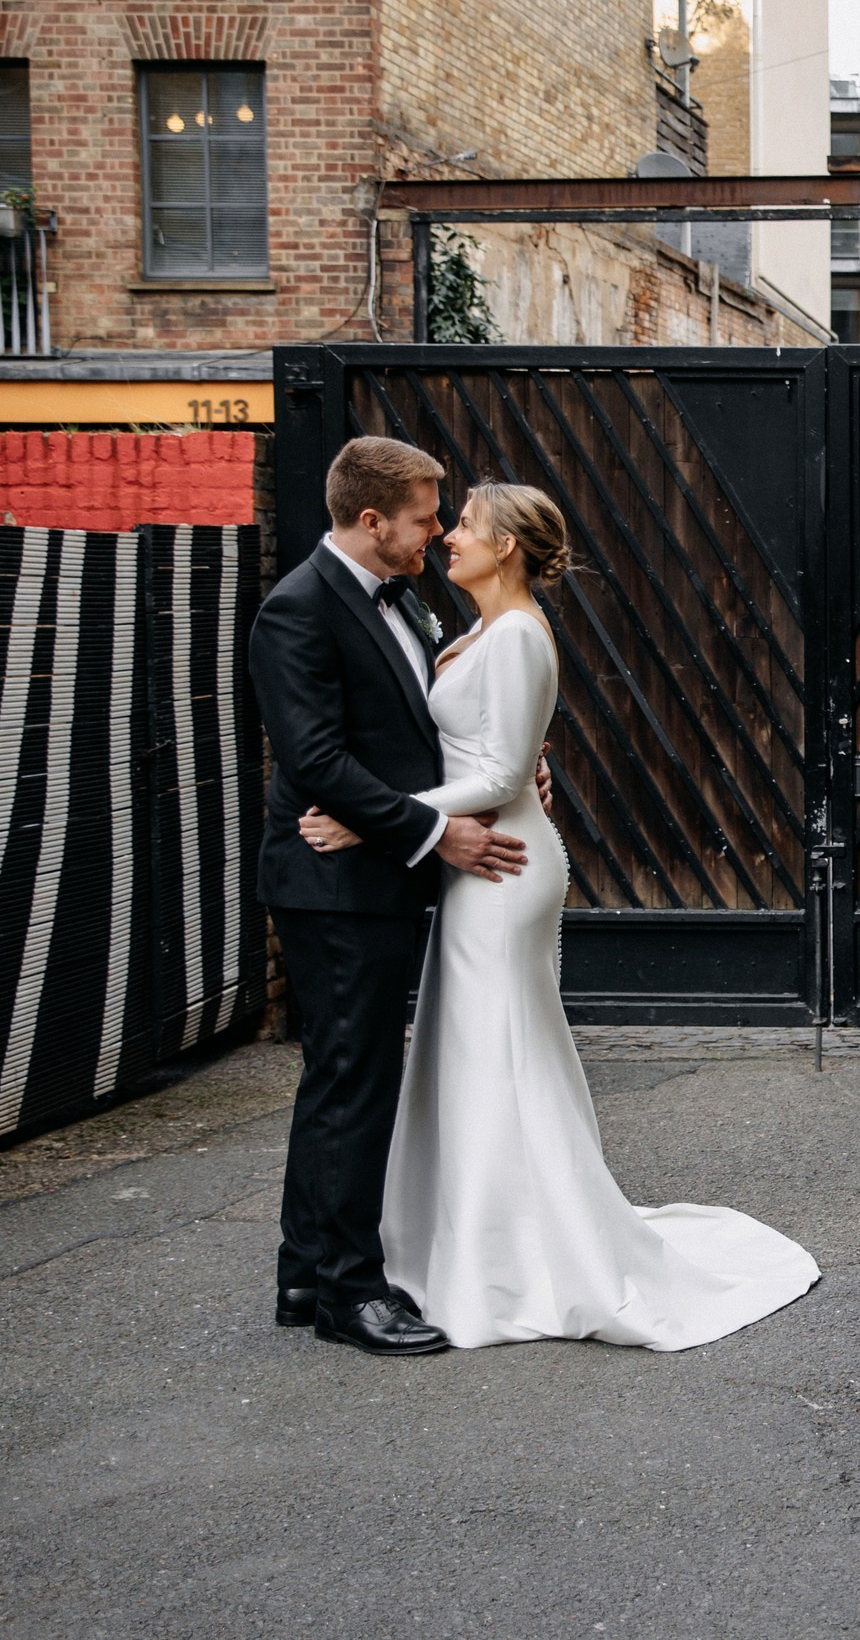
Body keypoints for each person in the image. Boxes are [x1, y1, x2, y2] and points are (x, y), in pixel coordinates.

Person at [299, 482, 818, 1350]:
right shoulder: (476, 630)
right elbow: (496, 753)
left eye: (463, 524)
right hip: (480, 860)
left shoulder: (516, 636)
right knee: (478, 1051)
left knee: (500, 1049)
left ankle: (517, 1258)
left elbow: (501, 779)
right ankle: (474, 1240)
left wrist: (371, 815)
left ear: (505, 545)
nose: (447, 536)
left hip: (505, 868)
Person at [249, 437, 530, 1356]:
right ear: (371, 521)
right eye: (423, 517)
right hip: (334, 886)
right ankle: (350, 1294)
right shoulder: (296, 610)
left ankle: (304, 1270)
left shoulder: (403, 597)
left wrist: (512, 777)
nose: (439, 530)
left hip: (370, 869)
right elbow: (316, 758)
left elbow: (423, 732)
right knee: (354, 1085)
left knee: (339, 1076)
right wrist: (426, 829)